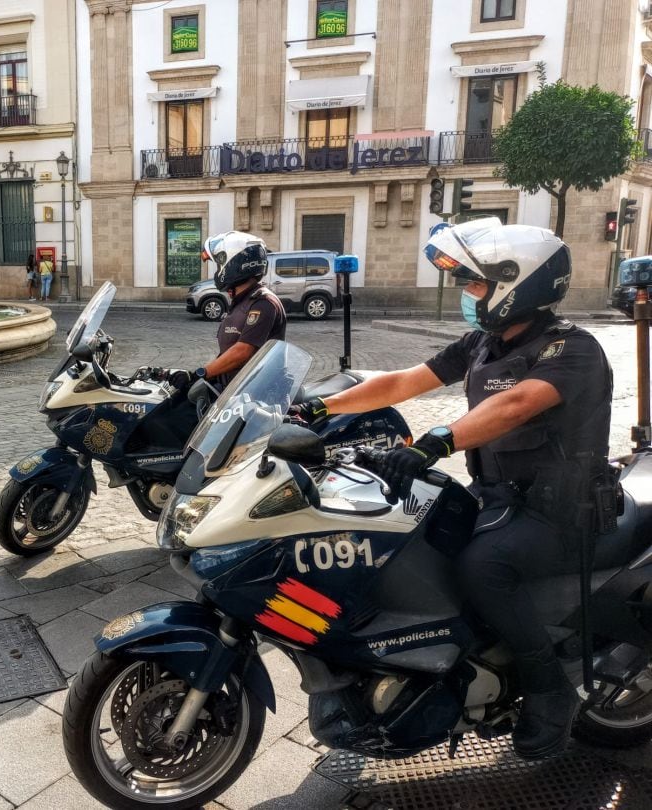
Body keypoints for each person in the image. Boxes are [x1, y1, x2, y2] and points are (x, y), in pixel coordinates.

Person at [289, 218, 613, 760]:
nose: (468, 294)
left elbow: (513, 405)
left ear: (521, 283)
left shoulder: (570, 350)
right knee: (405, 539)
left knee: (480, 567)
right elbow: (400, 381)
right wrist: (320, 405)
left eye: (477, 284)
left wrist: (431, 444)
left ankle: (551, 690)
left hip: (559, 512)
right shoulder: (482, 343)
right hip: (500, 499)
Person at [183, 231, 286, 390]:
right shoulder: (242, 300)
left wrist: (200, 374)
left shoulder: (263, 303)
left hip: (256, 396)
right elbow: (227, 352)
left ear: (232, 263)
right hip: (233, 392)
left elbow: (242, 351)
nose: (217, 271)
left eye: (218, 264)